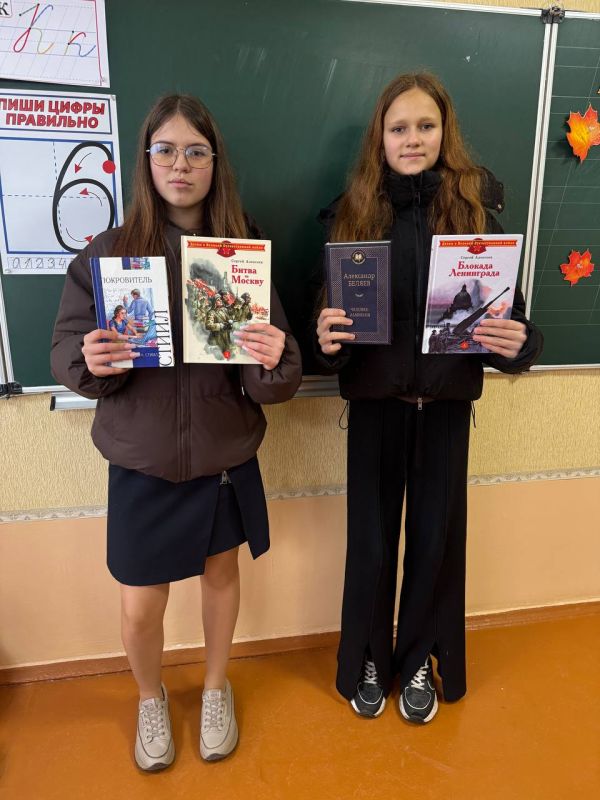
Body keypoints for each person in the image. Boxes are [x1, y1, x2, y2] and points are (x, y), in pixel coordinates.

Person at [51, 94, 302, 769]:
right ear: (145, 160)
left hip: (222, 455)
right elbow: (68, 351)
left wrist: (274, 357)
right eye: (165, 150)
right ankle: (149, 696)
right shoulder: (109, 254)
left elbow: (275, 378)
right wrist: (89, 362)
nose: (180, 164)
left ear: (215, 163)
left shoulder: (241, 254)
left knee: (220, 581)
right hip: (142, 460)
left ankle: (216, 688)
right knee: (141, 607)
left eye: (196, 151)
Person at [315, 73, 542, 724]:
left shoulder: (476, 219)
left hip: (445, 411)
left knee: (435, 544)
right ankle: (367, 656)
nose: (412, 139)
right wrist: (326, 340)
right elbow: (323, 329)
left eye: (425, 126)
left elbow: (511, 327)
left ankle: (417, 658)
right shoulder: (348, 217)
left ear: (445, 133)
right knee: (371, 545)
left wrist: (518, 341)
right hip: (375, 410)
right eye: (399, 128)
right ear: (379, 138)